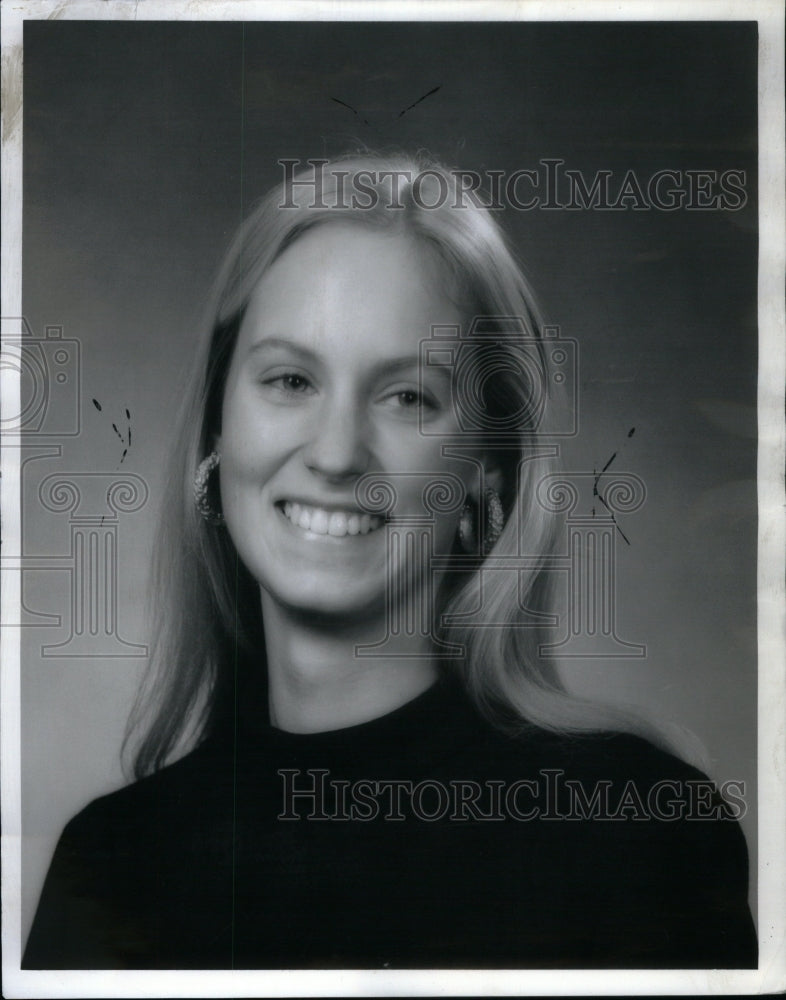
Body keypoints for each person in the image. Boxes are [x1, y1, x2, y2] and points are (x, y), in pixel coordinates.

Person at [23, 154, 757, 970]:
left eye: (407, 396)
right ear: (216, 431)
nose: (337, 454)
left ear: (489, 466)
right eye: (291, 379)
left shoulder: (637, 832)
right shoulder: (111, 862)